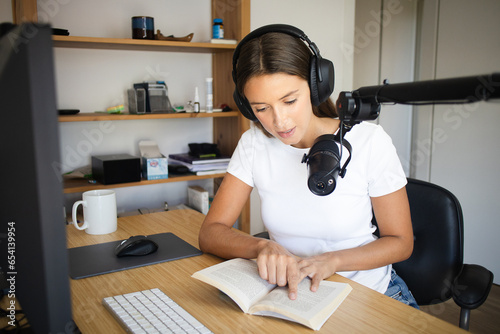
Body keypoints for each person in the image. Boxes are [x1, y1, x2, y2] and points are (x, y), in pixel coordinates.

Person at [198, 24, 418, 308]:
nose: (280, 122)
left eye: (289, 101)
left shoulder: (369, 141)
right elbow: (211, 232)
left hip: (369, 294)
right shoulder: (254, 144)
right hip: (296, 296)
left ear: (316, 86)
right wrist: (261, 246)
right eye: (262, 108)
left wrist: (333, 261)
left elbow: (401, 241)